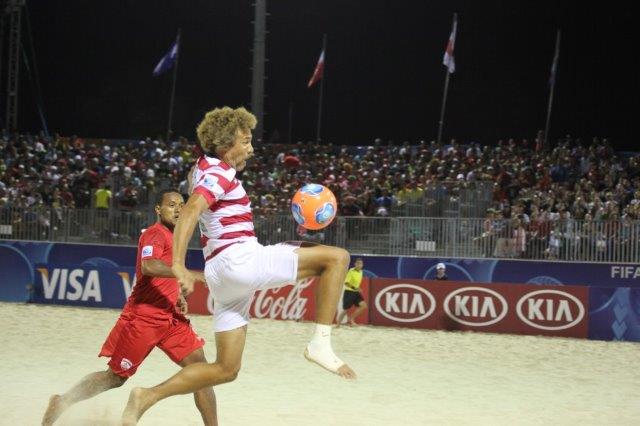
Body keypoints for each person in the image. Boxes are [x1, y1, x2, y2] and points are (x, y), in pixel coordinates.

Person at [122, 106, 356, 425]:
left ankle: (146, 396)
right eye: (245, 141)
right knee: (337, 258)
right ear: (225, 144)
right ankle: (320, 344)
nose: (251, 148)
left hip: (222, 276)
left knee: (226, 369)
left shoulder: (201, 169)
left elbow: (196, 194)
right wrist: (177, 264)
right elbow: (191, 209)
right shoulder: (220, 172)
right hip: (239, 260)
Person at [42, 189, 217, 426]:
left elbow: (163, 273)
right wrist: (185, 273)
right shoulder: (154, 234)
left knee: (202, 373)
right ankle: (62, 401)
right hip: (143, 318)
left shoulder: (176, 236)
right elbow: (149, 266)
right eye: (171, 205)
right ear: (158, 209)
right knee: (115, 378)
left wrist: (177, 294)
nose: (178, 209)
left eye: (181, 205)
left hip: (171, 318)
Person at [336, 258, 368, 327]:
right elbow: (346, 283)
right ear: (355, 264)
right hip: (349, 292)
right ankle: (338, 324)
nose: (359, 265)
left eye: (360, 263)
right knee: (345, 310)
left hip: (356, 292)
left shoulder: (361, 272)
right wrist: (355, 288)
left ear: (362, 265)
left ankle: (351, 318)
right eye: (358, 263)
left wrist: (357, 289)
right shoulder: (351, 271)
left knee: (363, 306)